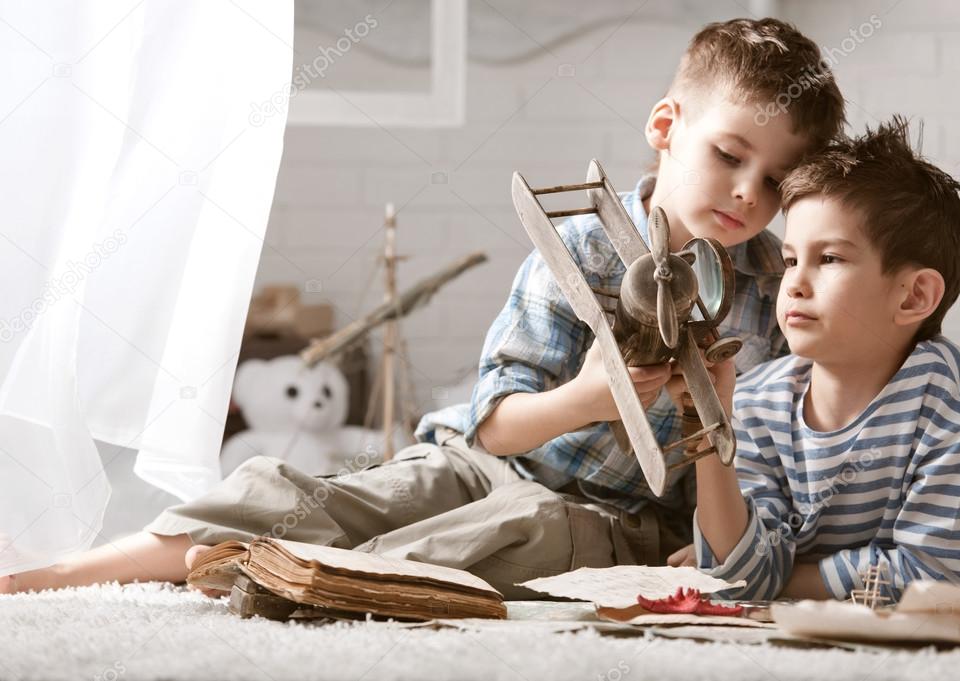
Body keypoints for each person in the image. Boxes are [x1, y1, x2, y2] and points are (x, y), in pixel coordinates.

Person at [1, 18, 846, 597]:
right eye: (729, 154)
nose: (747, 191)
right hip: (490, 459)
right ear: (667, 125)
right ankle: (74, 571)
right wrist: (588, 398)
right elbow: (494, 429)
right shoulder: (583, 245)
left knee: (485, 543)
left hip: (614, 520)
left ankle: (293, 579)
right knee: (320, 492)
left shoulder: (771, 291)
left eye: (775, 179)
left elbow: (749, 478)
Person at [681, 117, 960, 601]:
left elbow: (945, 580)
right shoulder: (755, 399)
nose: (793, 282)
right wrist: (711, 428)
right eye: (792, 259)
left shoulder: (941, 386)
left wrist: (788, 578)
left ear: (914, 296)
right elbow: (738, 580)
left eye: (830, 259)